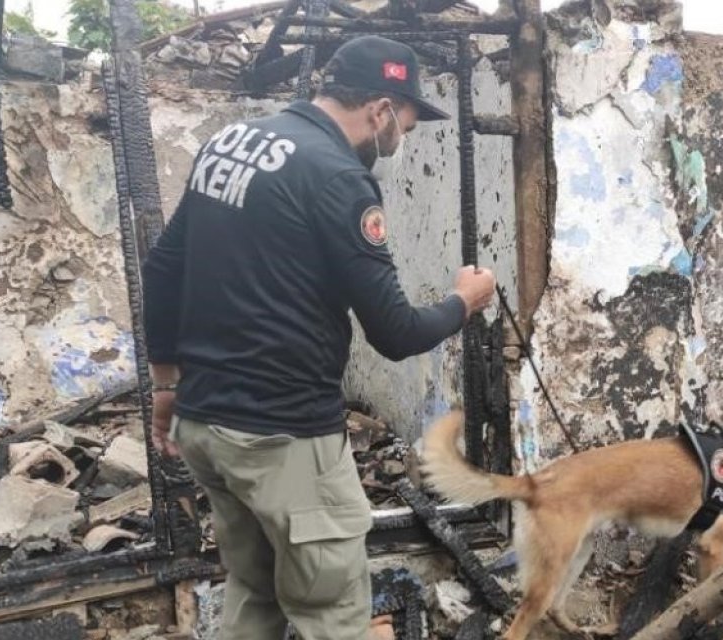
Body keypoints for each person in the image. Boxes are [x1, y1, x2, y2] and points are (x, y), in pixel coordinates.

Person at [140, 35, 496, 640]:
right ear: (381, 109)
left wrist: (165, 384)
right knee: (333, 616)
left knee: (253, 595)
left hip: (206, 427)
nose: (401, 139)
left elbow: (163, 268)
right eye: (405, 123)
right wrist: (463, 302)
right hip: (283, 440)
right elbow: (396, 332)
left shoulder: (229, 141)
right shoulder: (338, 177)